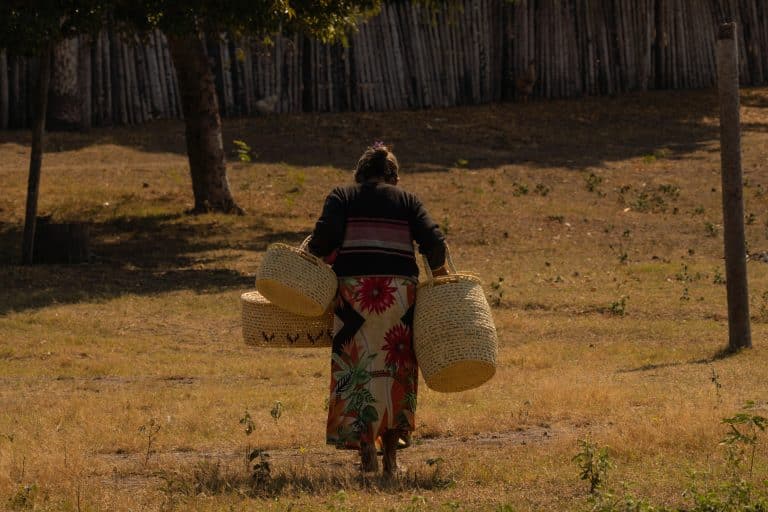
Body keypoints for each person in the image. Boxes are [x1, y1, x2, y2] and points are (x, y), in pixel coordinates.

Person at [307, 142, 447, 477]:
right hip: (399, 298)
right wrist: (441, 275)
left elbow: (323, 239)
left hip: (354, 297)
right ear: (393, 176)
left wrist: (316, 254)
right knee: (396, 370)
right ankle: (391, 459)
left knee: (356, 369)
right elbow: (434, 241)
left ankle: (366, 450)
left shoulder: (342, 196)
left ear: (360, 173)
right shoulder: (407, 200)